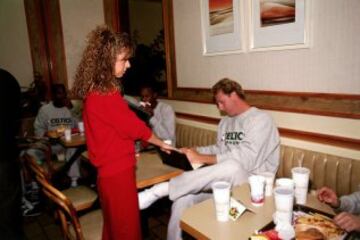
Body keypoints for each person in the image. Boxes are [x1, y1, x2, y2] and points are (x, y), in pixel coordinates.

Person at [138, 78, 281, 240]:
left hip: (253, 193)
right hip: (227, 189)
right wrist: (193, 151)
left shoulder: (260, 120)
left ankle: (159, 190)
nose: (219, 107)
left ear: (234, 95)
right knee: (182, 198)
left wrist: (201, 157)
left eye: (221, 102)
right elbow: (219, 149)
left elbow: (246, 159)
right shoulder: (226, 122)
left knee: (232, 166)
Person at [71, 25, 174, 240]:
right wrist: (162, 143)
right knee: (126, 231)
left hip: (109, 171)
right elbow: (134, 127)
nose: (128, 64)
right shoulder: (105, 95)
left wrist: (125, 149)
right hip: (117, 175)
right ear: (106, 61)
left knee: (114, 228)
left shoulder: (94, 92)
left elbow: (109, 132)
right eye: (123, 59)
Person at [32, 83, 80, 187]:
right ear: (53, 95)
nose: (62, 96)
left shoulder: (69, 107)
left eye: (64, 94)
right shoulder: (45, 110)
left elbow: (80, 125)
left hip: (66, 146)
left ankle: (74, 181)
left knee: (75, 149)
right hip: (50, 145)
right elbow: (38, 128)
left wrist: (72, 109)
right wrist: (46, 136)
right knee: (30, 154)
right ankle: (36, 183)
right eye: (59, 94)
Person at [0, 68, 24, 239]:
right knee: (8, 211)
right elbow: (17, 114)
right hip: (4, 155)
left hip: (5, 155)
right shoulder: (6, 79)